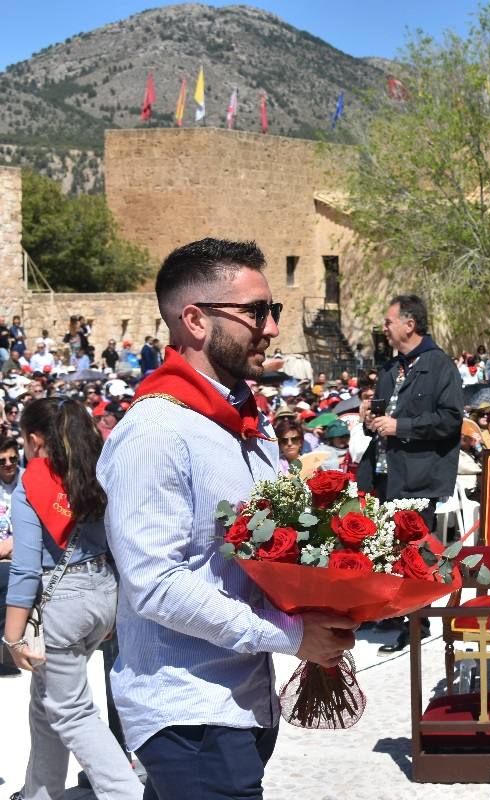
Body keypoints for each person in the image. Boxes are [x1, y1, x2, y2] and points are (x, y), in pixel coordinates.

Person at [97, 239, 355, 800]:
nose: (271, 328)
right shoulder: (156, 433)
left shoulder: (242, 424)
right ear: (194, 320)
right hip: (189, 708)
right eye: (256, 312)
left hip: (238, 702)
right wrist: (292, 635)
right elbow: (156, 585)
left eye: (274, 311)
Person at [3, 398, 143, 799]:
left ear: (34, 440)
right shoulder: (97, 472)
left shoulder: (31, 486)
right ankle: (38, 793)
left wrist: (12, 638)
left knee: (72, 712)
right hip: (103, 594)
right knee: (45, 706)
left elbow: (27, 569)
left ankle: (126, 792)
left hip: (62, 605)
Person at [357, 294, 463, 654]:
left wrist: (401, 425)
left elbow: (450, 422)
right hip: (384, 475)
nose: (384, 328)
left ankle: (416, 621)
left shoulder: (440, 366)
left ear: (409, 323)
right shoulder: (389, 369)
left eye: (389, 321)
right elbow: (381, 420)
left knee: (413, 551)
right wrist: (371, 420)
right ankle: (396, 613)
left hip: (419, 478)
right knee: (386, 549)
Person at [0, 437, 20, 678]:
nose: (8, 464)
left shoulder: (28, 482)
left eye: (13, 458)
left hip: (20, 559)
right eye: (2, 460)